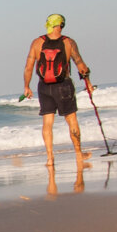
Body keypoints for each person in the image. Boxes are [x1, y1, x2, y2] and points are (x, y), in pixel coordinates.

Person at [22, 13, 92, 169]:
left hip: (44, 86)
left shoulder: (37, 43)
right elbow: (81, 65)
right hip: (63, 85)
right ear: (62, 25)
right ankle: (78, 153)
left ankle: (49, 158)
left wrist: (27, 87)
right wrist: (88, 83)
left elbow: (28, 68)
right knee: (71, 120)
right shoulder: (69, 42)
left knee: (47, 123)